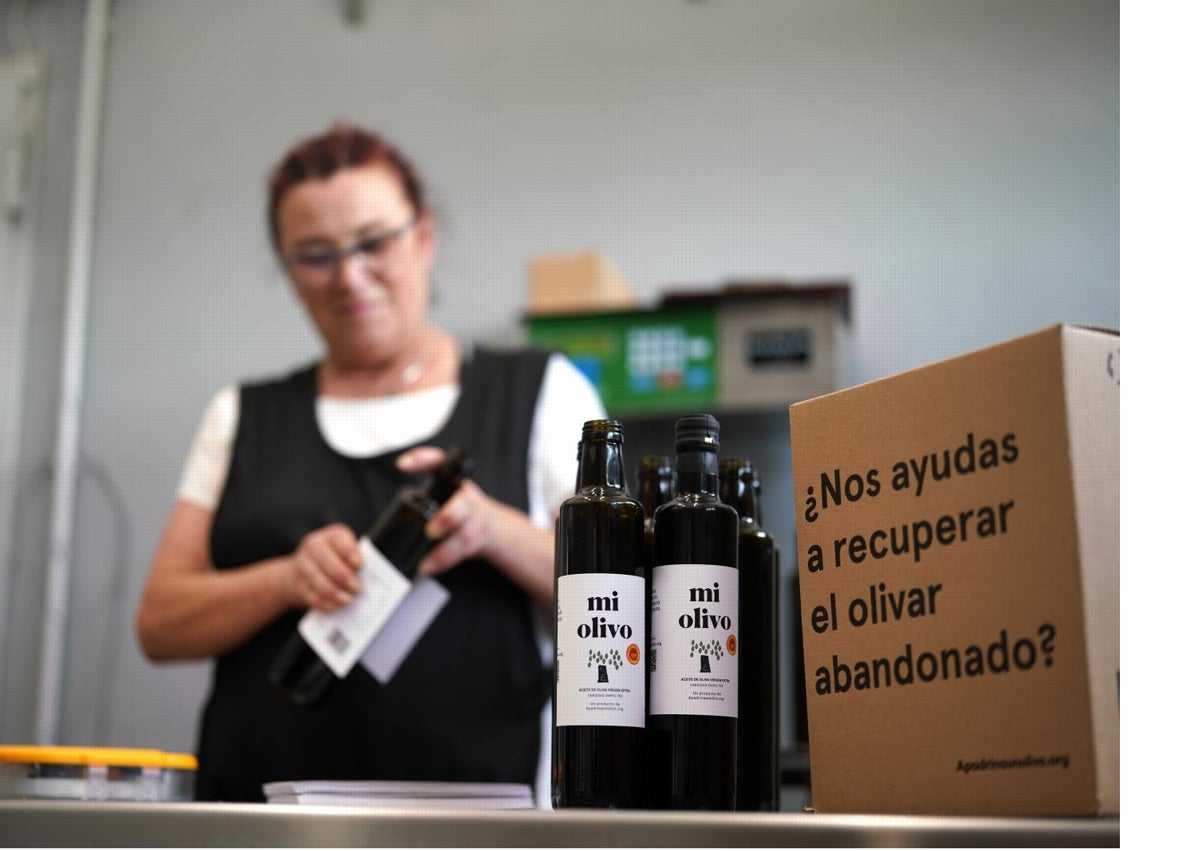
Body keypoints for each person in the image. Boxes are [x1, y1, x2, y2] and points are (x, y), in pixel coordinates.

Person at [135, 123, 605, 803]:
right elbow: (160, 622)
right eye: (315, 255)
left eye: (374, 242)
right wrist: (287, 578)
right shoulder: (240, 414)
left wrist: (492, 528)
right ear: (287, 268)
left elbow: (618, 599)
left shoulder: (543, 392)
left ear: (424, 236)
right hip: (261, 817)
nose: (350, 276)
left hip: (474, 824)